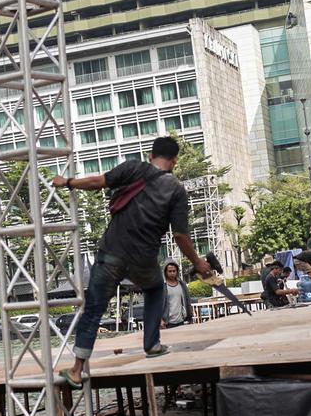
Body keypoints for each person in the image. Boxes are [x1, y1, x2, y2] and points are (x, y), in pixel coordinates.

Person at [53, 136, 213, 386]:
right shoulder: (177, 190)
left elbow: (98, 182)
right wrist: (199, 262)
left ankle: (76, 369)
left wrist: (68, 182)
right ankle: (152, 344)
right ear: (175, 161)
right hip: (143, 259)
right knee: (155, 289)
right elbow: (180, 236)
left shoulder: (133, 167)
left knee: (94, 309)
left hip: (111, 253)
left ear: (151, 155)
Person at [159, 261, 193, 329]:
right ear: (165, 272)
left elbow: (187, 301)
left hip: (181, 321)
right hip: (167, 323)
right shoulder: (162, 286)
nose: (172, 273)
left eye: (174, 271)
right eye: (170, 271)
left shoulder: (182, 284)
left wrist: (189, 316)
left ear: (177, 271)